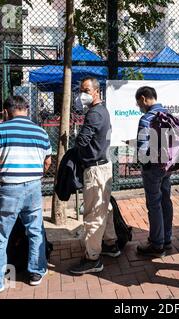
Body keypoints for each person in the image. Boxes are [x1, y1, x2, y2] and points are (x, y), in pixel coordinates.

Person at [0, 96, 52, 294]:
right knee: (35, 230)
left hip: (8, 188)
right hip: (34, 187)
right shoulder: (41, 131)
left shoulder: (1, 130)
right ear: (26, 109)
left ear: (5, 111)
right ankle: (36, 272)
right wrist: (35, 177)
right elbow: (47, 162)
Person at [69, 77, 119, 275]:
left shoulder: (94, 115)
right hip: (102, 166)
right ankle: (110, 243)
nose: (83, 94)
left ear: (97, 92)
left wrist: (76, 140)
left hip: (96, 169)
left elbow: (82, 141)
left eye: (87, 90)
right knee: (104, 209)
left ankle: (92, 258)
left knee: (93, 214)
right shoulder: (101, 111)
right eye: (82, 90)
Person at [134, 86, 174, 258]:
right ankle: (167, 238)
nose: (139, 107)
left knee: (154, 204)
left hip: (152, 168)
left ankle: (157, 244)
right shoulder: (169, 115)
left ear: (144, 99)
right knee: (166, 200)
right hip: (167, 165)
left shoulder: (146, 118)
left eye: (138, 103)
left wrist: (142, 164)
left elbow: (143, 149)